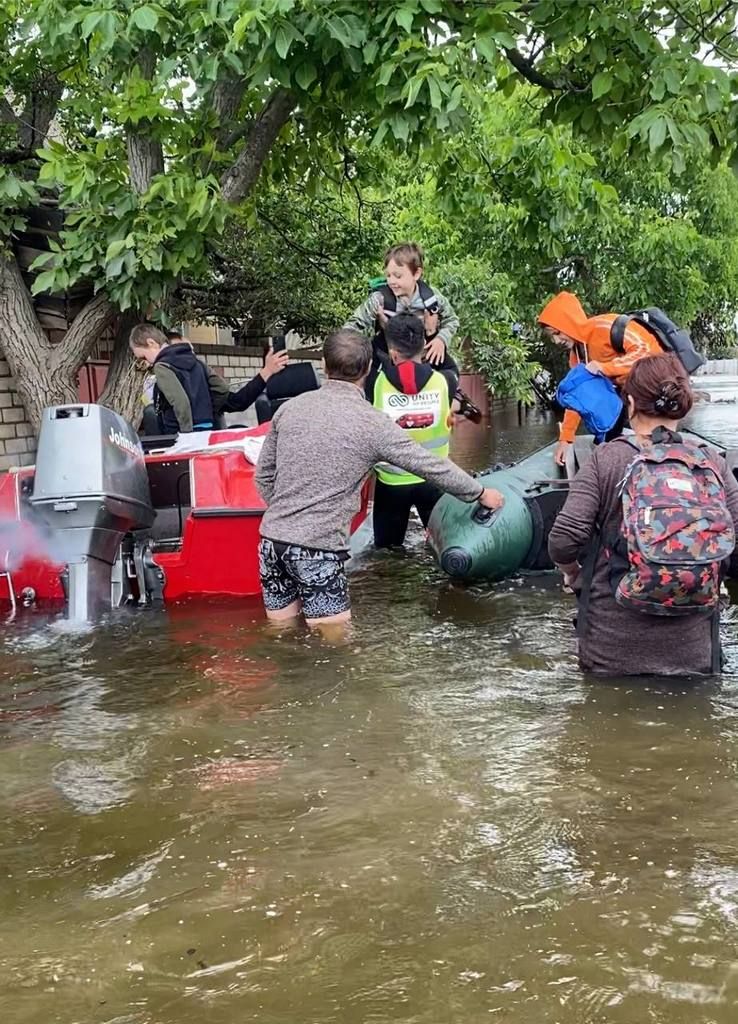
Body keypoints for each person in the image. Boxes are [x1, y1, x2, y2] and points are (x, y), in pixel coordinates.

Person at [255, 329, 504, 629]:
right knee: (333, 647)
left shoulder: (288, 410)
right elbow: (429, 465)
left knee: (282, 636)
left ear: (323, 364)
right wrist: (479, 493)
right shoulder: (372, 423)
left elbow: (263, 476)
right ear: (369, 368)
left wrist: (288, 513)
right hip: (317, 549)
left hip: (271, 543)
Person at [548, 354, 738, 676]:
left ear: (631, 404)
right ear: (683, 405)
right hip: (693, 656)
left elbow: (564, 539)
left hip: (610, 654)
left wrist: (572, 574)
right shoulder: (712, 464)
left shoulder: (605, 459)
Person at [538, 291, 662, 466]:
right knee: (605, 443)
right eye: (552, 337)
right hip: (625, 396)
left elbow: (646, 352)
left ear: (569, 323)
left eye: (557, 333)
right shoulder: (577, 355)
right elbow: (577, 397)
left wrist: (604, 367)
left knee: (649, 439)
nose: (557, 341)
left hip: (654, 386)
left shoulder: (606, 327)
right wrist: (566, 439)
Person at [372, 311, 459, 548]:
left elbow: (373, 355)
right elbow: (449, 364)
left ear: (392, 352)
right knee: (444, 548)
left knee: (387, 556)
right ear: (423, 345)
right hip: (433, 479)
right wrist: (434, 333)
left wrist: (383, 330)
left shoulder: (375, 384)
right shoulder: (445, 381)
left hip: (391, 485)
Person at [344, 241, 460, 393]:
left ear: (416, 274)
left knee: (451, 372)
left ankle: (453, 402)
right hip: (387, 353)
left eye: (398, 276)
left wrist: (441, 339)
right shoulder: (380, 299)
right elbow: (352, 326)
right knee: (369, 382)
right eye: (388, 275)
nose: (392, 281)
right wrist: (348, 351)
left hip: (422, 354)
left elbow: (452, 320)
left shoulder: (432, 299)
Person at [130, 324, 229, 434]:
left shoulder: (162, 366)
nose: (147, 362)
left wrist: (186, 434)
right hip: (207, 425)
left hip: (180, 430)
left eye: (143, 356)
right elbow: (222, 388)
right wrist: (209, 409)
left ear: (151, 343)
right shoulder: (196, 361)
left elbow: (180, 402)